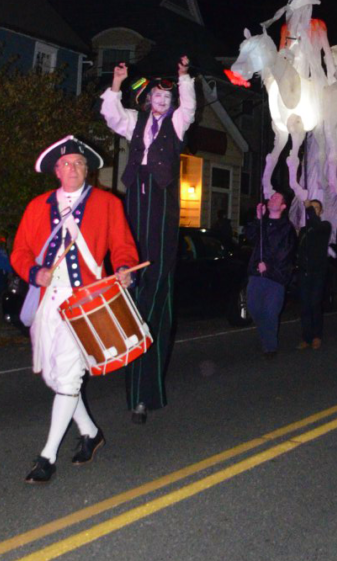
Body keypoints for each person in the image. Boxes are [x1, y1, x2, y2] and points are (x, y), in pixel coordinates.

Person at [10, 136, 138, 484]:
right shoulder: (38, 206)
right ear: (56, 170)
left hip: (86, 302)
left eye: (79, 164)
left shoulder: (107, 203)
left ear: (88, 170)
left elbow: (123, 246)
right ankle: (91, 432)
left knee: (68, 376)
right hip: (47, 301)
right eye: (66, 164)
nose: (73, 169)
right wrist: (35, 273)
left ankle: (46, 457)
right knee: (54, 377)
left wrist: (124, 267)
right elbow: (19, 251)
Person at [100, 55, 196, 425]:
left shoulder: (176, 124)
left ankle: (147, 395)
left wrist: (184, 77)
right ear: (146, 100)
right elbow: (110, 115)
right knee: (132, 283)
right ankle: (133, 286)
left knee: (155, 291)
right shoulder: (134, 122)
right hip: (136, 200)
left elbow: (188, 106)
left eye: (167, 98)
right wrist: (117, 83)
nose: (162, 102)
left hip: (161, 200)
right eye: (157, 96)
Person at [245, 192, 296, 357]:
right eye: (271, 196)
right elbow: (249, 236)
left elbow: (284, 253)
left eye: (277, 198)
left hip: (275, 277)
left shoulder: (287, 228)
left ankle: (270, 347)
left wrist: (267, 267)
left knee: (270, 312)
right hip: (256, 274)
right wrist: (258, 218)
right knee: (254, 308)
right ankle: (266, 336)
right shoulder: (263, 223)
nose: (271, 199)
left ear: (283, 206)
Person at [295, 199, 332, 350]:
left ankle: (317, 336)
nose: (314, 210)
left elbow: (316, 225)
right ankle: (306, 337)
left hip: (318, 273)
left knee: (315, 303)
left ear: (320, 211)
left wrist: (309, 209)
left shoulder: (324, 226)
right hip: (304, 272)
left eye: (316, 208)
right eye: (312, 207)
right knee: (305, 305)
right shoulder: (304, 230)